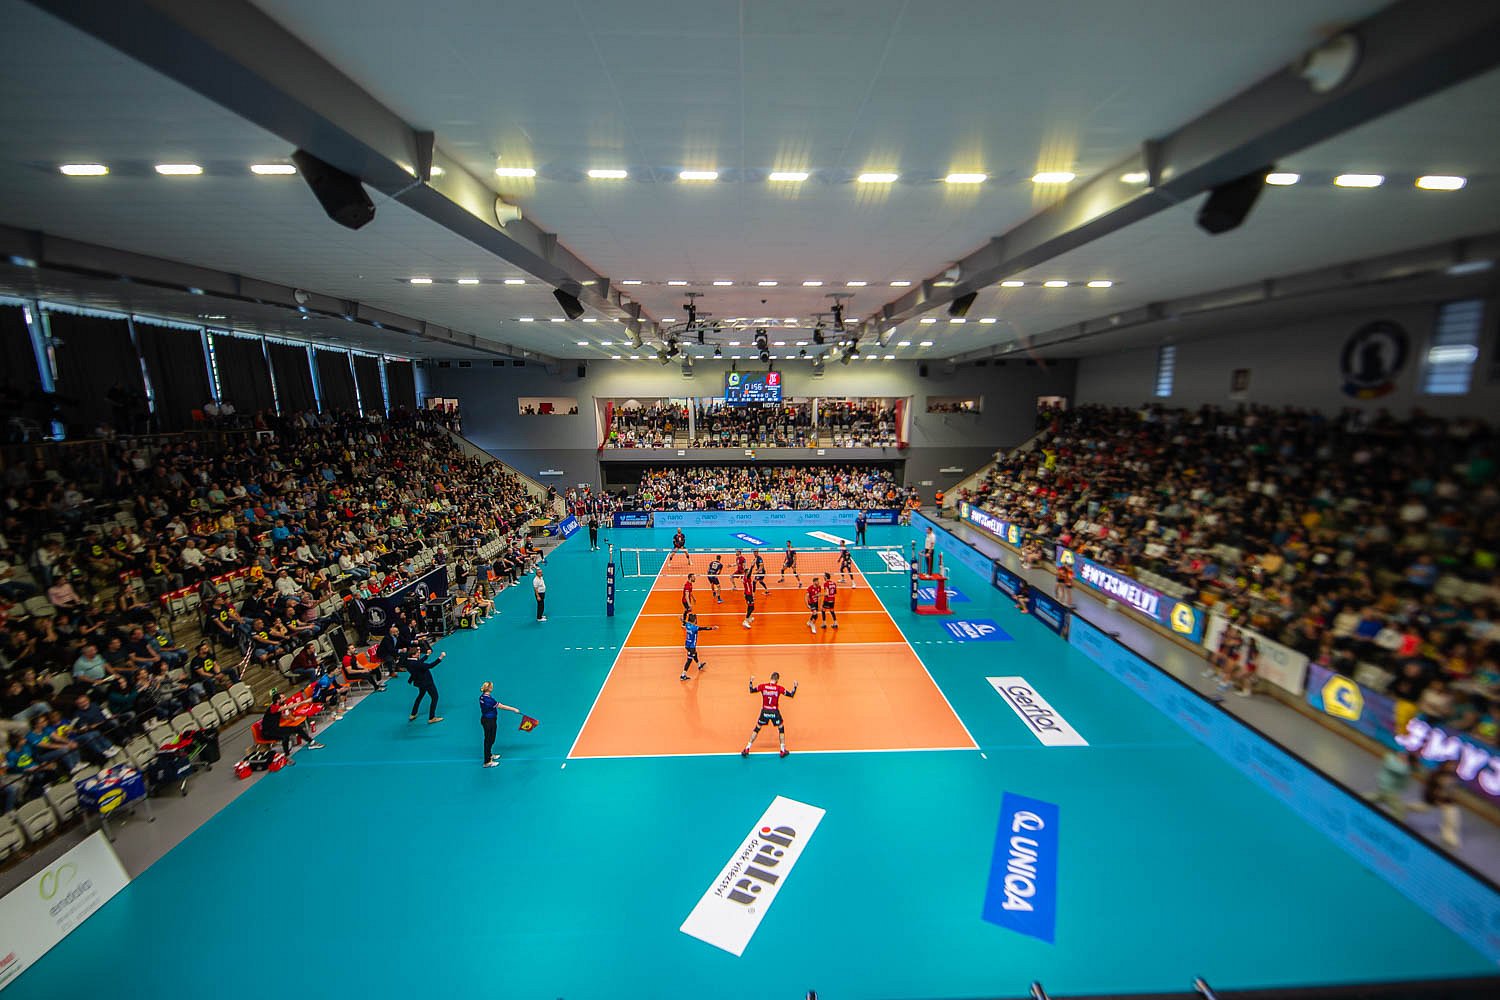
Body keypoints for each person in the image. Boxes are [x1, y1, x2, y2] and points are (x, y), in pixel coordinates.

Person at [741, 671, 798, 758]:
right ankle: (782, 750)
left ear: (770, 678)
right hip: (774, 712)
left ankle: (747, 748)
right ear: (777, 680)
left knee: (757, 728)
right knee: (781, 728)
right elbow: (791, 694)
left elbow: (751, 690)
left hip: (765, 711)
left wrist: (751, 681)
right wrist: (795, 686)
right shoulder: (779, 688)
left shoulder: (763, 686)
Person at [260, 689, 323, 756]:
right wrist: (305, 701)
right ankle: (287, 755)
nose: (285, 698)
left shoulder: (278, 708)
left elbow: (284, 716)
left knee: (297, 728)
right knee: (285, 736)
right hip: (268, 733)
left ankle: (312, 742)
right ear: (278, 700)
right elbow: (290, 706)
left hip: (275, 729)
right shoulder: (273, 707)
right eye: (283, 698)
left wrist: (295, 718)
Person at [479, 681, 522, 767]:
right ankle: (487, 762)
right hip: (489, 721)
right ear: (489, 688)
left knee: (490, 739)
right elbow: (501, 706)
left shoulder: (482, 697)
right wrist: (514, 709)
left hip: (486, 719)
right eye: (491, 686)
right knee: (489, 740)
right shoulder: (489, 700)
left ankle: (489, 755)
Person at [405, 643, 447, 723]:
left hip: (419, 682)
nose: (419, 654)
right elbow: (430, 666)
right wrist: (440, 657)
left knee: (420, 696)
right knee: (435, 697)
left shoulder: (408, 662)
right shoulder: (417, 663)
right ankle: (432, 717)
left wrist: (427, 655)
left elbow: (419, 662)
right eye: (417, 653)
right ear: (413, 655)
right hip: (426, 682)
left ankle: (413, 714)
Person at [680, 613, 719, 681]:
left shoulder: (687, 625)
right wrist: (712, 628)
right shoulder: (694, 628)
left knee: (695, 654)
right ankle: (683, 675)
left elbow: (685, 622)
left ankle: (699, 665)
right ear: (694, 620)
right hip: (691, 647)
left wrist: (682, 620)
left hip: (687, 645)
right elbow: (703, 628)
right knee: (689, 660)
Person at [741, 565, 756, 630]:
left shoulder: (745, 577)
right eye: (748, 572)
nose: (749, 573)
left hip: (748, 594)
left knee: (750, 607)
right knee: (752, 608)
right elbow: (749, 574)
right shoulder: (746, 577)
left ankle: (749, 617)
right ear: (746, 573)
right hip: (748, 595)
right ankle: (745, 621)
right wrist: (752, 567)